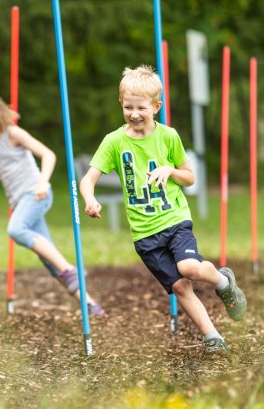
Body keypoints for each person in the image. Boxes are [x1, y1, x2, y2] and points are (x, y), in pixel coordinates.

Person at [79, 65, 246, 353]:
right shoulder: (115, 142)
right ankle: (213, 338)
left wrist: (169, 170)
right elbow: (88, 179)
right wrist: (89, 198)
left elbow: (190, 177)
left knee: (189, 267)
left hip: (174, 219)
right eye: (128, 107)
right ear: (121, 103)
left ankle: (223, 281)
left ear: (156, 106)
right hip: (144, 234)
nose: (133, 114)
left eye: (140, 108)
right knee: (180, 287)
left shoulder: (168, 136)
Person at [0, 88, 105, 316]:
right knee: (51, 263)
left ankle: (70, 269)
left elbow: (48, 155)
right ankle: (91, 306)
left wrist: (42, 182)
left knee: (16, 229)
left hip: (37, 194)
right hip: (19, 202)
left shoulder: (13, 134)